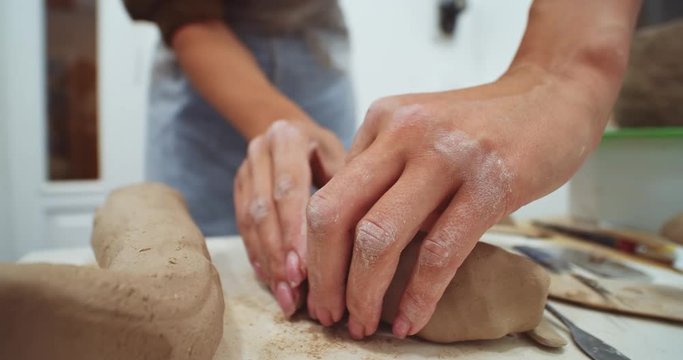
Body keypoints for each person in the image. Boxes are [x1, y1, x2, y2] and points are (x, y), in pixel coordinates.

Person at [126, 0, 642, 341]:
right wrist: (281, 124)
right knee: (219, 266)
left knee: (347, 229)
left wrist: (560, 76)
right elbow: (185, 13)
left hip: (318, 58)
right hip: (208, 67)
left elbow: (577, 51)